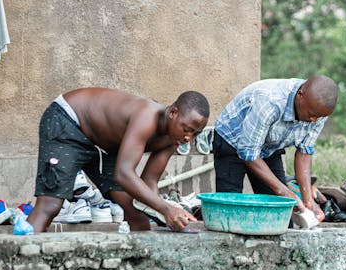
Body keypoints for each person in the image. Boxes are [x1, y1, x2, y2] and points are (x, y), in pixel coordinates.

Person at [26, 88, 210, 234]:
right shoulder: (147, 117)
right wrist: (166, 208)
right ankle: (26, 262)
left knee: (136, 213)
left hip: (102, 145)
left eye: (195, 133)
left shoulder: (173, 138)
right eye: (187, 129)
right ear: (173, 112)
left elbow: (149, 182)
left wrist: (162, 214)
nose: (189, 138)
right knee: (50, 204)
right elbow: (123, 174)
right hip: (69, 121)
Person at [213, 76, 338, 222]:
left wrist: (308, 200)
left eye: (319, 117)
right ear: (300, 95)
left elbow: (304, 151)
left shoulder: (317, 109)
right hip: (232, 139)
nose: (313, 120)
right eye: (312, 115)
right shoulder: (270, 102)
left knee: (281, 214)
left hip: (269, 145)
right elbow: (248, 152)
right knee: (230, 210)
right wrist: (284, 191)